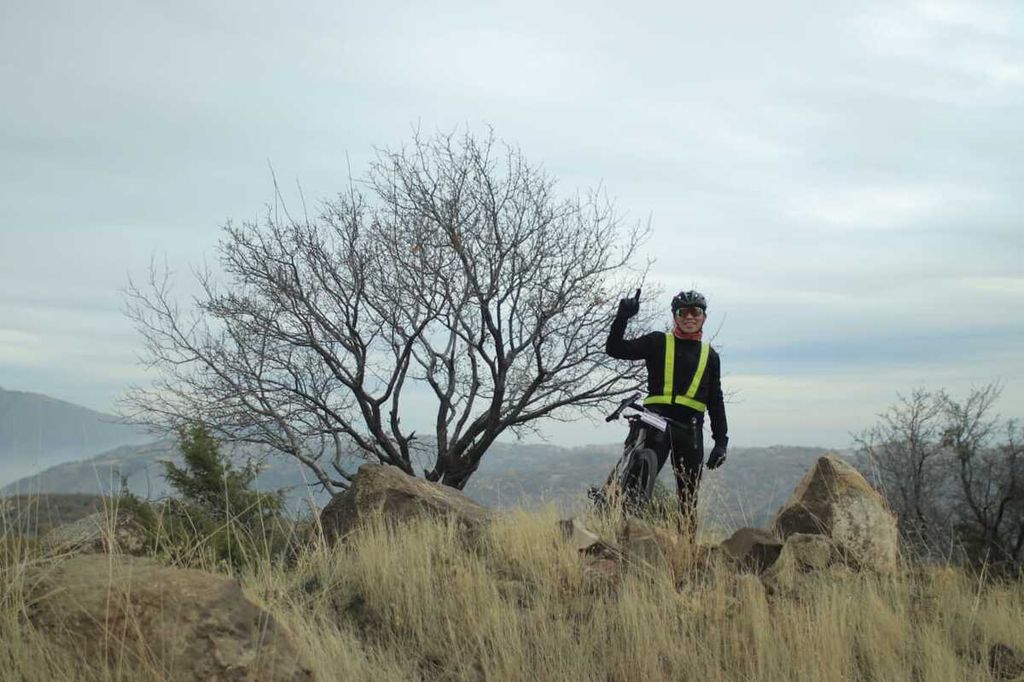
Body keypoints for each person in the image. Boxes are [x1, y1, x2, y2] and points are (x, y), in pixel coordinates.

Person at [605, 289, 728, 531]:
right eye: (683, 312)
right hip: (656, 423)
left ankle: (685, 552)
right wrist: (622, 317)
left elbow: (716, 399)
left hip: (691, 430)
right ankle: (625, 538)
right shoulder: (657, 342)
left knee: (688, 497)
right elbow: (615, 349)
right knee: (636, 489)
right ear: (675, 315)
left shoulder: (710, 356)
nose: (689, 317)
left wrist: (721, 440)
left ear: (704, 317)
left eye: (696, 311)